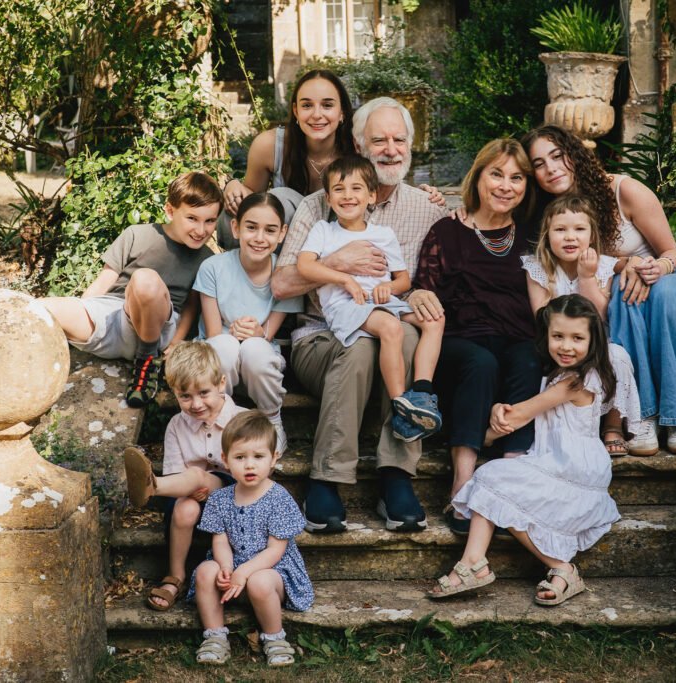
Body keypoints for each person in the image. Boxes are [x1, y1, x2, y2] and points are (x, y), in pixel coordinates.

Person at [271, 97, 449, 534]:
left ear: (411, 145)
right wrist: (343, 262)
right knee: (360, 347)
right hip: (320, 336)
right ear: (356, 143)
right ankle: (328, 477)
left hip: (388, 321)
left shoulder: (427, 207)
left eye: (398, 139)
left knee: (400, 337)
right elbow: (281, 285)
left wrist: (422, 290)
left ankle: (396, 475)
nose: (390, 149)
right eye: (379, 139)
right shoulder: (318, 209)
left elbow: (427, 275)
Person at [427, 294, 625, 606]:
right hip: (554, 460)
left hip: (574, 467)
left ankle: (558, 567)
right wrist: (499, 413)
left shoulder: (576, 381)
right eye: (557, 336)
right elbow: (514, 418)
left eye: (577, 338)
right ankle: (473, 563)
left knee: (490, 477)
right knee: (491, 479)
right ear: (546, 336)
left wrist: (495, 418)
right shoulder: (555, 375)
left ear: (593, 340)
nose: (566, 346)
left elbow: (520, 415)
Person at [522, 125, 676, 455]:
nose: (550, 168)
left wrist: (655, 269)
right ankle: (644, 415)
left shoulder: (624, 190)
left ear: (574, 155)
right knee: (624, 294)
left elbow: (672, 251)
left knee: (662, 294)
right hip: (621, 284)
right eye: (538, 163)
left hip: (668, 276)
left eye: (557, 156)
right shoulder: (551, 213)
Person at [412, 138, 541, 534]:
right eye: (496, 174)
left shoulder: (533, 234)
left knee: (527, 358)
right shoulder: (447, 232)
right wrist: (418, 293)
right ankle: (462, 485)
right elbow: (424, 288)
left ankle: (513, 479)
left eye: (517, 178)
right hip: (461, 341)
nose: (506, 186)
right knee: (480, 362)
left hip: (516, 337)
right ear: (479, 177)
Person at [297, 155, 445, 442]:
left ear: (371, 195)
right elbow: (305, 266)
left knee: (434, 320)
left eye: (356, 188)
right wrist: (344, 278)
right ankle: (401, 403)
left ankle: (422, 392)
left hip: (381, 303)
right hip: (345, 307)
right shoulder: (324, 231)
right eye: (339, 189)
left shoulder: (383, 234)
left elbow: (402, 280)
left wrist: (388, 288)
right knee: (391, 328)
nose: (348, 196)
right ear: (328, 198)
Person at [42, 171, 221, 407]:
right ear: (170, 210)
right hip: (115, 317)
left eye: (209, 221)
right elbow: (103, 282)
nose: (201, 229)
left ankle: (146, 365)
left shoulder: (207, 259)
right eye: (192, 218)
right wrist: (81, 310)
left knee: (144, 279)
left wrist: (176, 344)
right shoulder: (137, 234)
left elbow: (191, 307)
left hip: (159, 329)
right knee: (39, 308)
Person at [121, 341, 250, 612]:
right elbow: (177, 473)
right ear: (175, 393)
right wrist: (189, 489)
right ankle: (175, 576)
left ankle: (152, 487)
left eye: (204, 393)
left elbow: (252, 474)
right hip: (188, 493)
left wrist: (200, 481)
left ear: (222, 384)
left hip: (233, 494)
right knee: (185, 509)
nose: (196, 404)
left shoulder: (242, 422)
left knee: (198, 475)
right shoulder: (177, 426)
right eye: (185, 396)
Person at [187, 411, 312, 667]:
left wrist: (244, 571)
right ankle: (215, 636)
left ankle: (275, 638)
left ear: (273, 458)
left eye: (258, 457)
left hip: (271, 571)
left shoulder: (279, 498)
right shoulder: (220, 498)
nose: (250, 465)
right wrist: (226, 567)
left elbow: (276, 551)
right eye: (240, 457)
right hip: (233, 568)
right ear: (225, 460)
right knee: (205, 570)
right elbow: (220, 541)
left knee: (260, 581)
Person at [521, 195, 641, 455]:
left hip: (595, 348)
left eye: (579, 229)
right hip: (557, 348)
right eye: (560, 230)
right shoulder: (537, 268)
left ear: (591, 235)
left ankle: (612, 426)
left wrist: (587, 277)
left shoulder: (604, 266)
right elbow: (542, 316)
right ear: (547, 234)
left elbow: (599, 317)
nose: (570, 237)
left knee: (618, 356)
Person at [194, 192, 303, 453]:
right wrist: (232, 335)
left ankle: (271, 420)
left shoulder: (285, 272)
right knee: (225, 346)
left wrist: (258, 333)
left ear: (282, 234)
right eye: (251, 227)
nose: (259, 238)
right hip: (220, 359)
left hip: (260, 362)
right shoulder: (213, 267)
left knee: (255, 348)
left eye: (270, 230)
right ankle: (219, 418)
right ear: (236, 228)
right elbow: (212, 333)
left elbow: (268, 334)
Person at [220, 70, 356, 241]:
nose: (317, 114)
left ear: (342, 111)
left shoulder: (358, 147)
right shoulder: (270, 145)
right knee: (233, 215)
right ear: (296, 111)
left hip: (341, 241)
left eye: (327, 105)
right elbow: (252, 198)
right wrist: (234, 187)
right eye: (307, 105)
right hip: (285, 243)